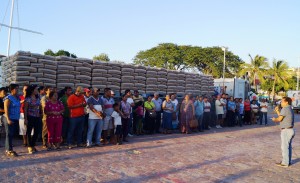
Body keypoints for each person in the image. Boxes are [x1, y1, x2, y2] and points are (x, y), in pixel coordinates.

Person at [272, 97, 295, 167]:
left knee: (284, 147)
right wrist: (278, 111)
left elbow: (279, 119)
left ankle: (285, 162)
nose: (281, 103)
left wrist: (274, 119)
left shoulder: (285, 109)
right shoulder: (290, 108)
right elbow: (282, 118)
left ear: (286, 102)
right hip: (290, 130)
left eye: (282, 101)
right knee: (288, 147)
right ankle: (288, 161)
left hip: (286, 130)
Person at [24, 84, 42, 154]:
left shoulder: (38, 98)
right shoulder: (28, 99)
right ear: (32, 90)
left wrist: (41, 112)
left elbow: (39, 106)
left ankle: (33, 144)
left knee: (37, 131)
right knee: (29, 131)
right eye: (36, 89)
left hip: (37, 116)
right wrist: (25, 119)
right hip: (30, 116)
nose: (37, 91)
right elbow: (25, 109)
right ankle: (29, 146)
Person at [3, 84, 20, 157]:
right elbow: (6, 109)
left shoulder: (17, 98)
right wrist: (8, 119)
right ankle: (8, 150)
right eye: (16, 88)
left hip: (15, 118)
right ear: (12, 89)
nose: (17, 90)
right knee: (9, 134)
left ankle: (10, 148)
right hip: (9, 118)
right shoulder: (8, 98)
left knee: (12, 134)